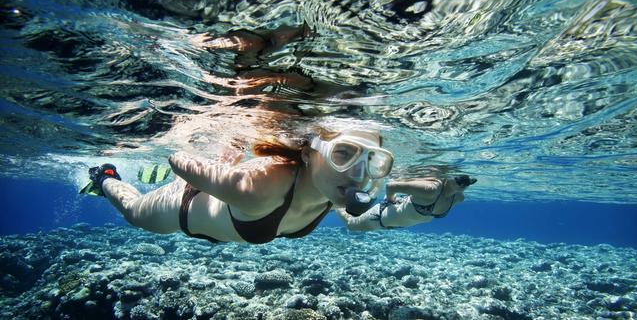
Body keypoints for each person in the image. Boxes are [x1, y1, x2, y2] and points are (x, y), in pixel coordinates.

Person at [85, 129, 475, 244]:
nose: (359, 174)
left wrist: (421, 211)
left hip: (227, 206)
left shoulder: (333, 187)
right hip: (184, 208)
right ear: (309, 153)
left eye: (373, 161)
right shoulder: (257, 188)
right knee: (134, 214)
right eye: (344, 153)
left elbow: (357, 224)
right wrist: (211, 166)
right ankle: (104, 178)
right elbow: (178, 161)